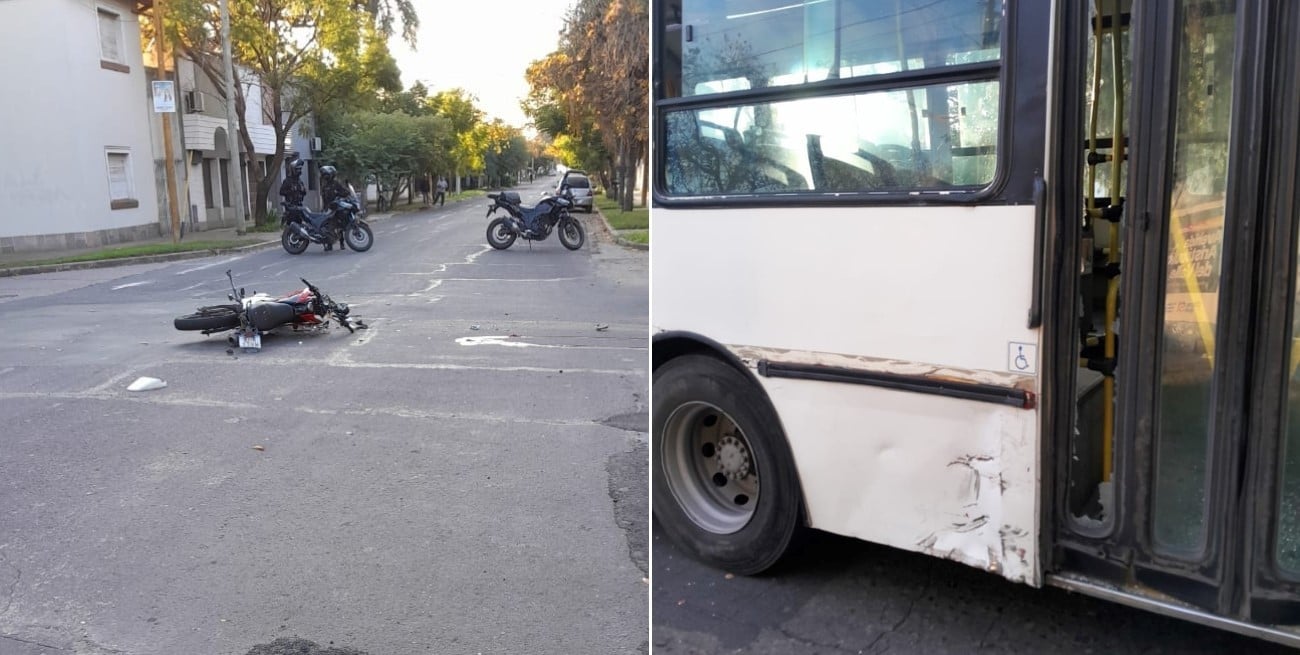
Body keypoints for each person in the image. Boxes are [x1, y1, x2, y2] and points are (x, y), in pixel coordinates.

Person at [320, 165, 351, 251]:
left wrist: (341, 194)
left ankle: (342, 243)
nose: (325, 177)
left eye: (326, 175)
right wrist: (324, 208)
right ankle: (329, 244)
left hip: (337, 207)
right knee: (328, 226)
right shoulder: (324, 186)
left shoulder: (336, 183)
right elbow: (324, 199)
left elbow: (345, 192)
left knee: (340, 225)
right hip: (329, 208)